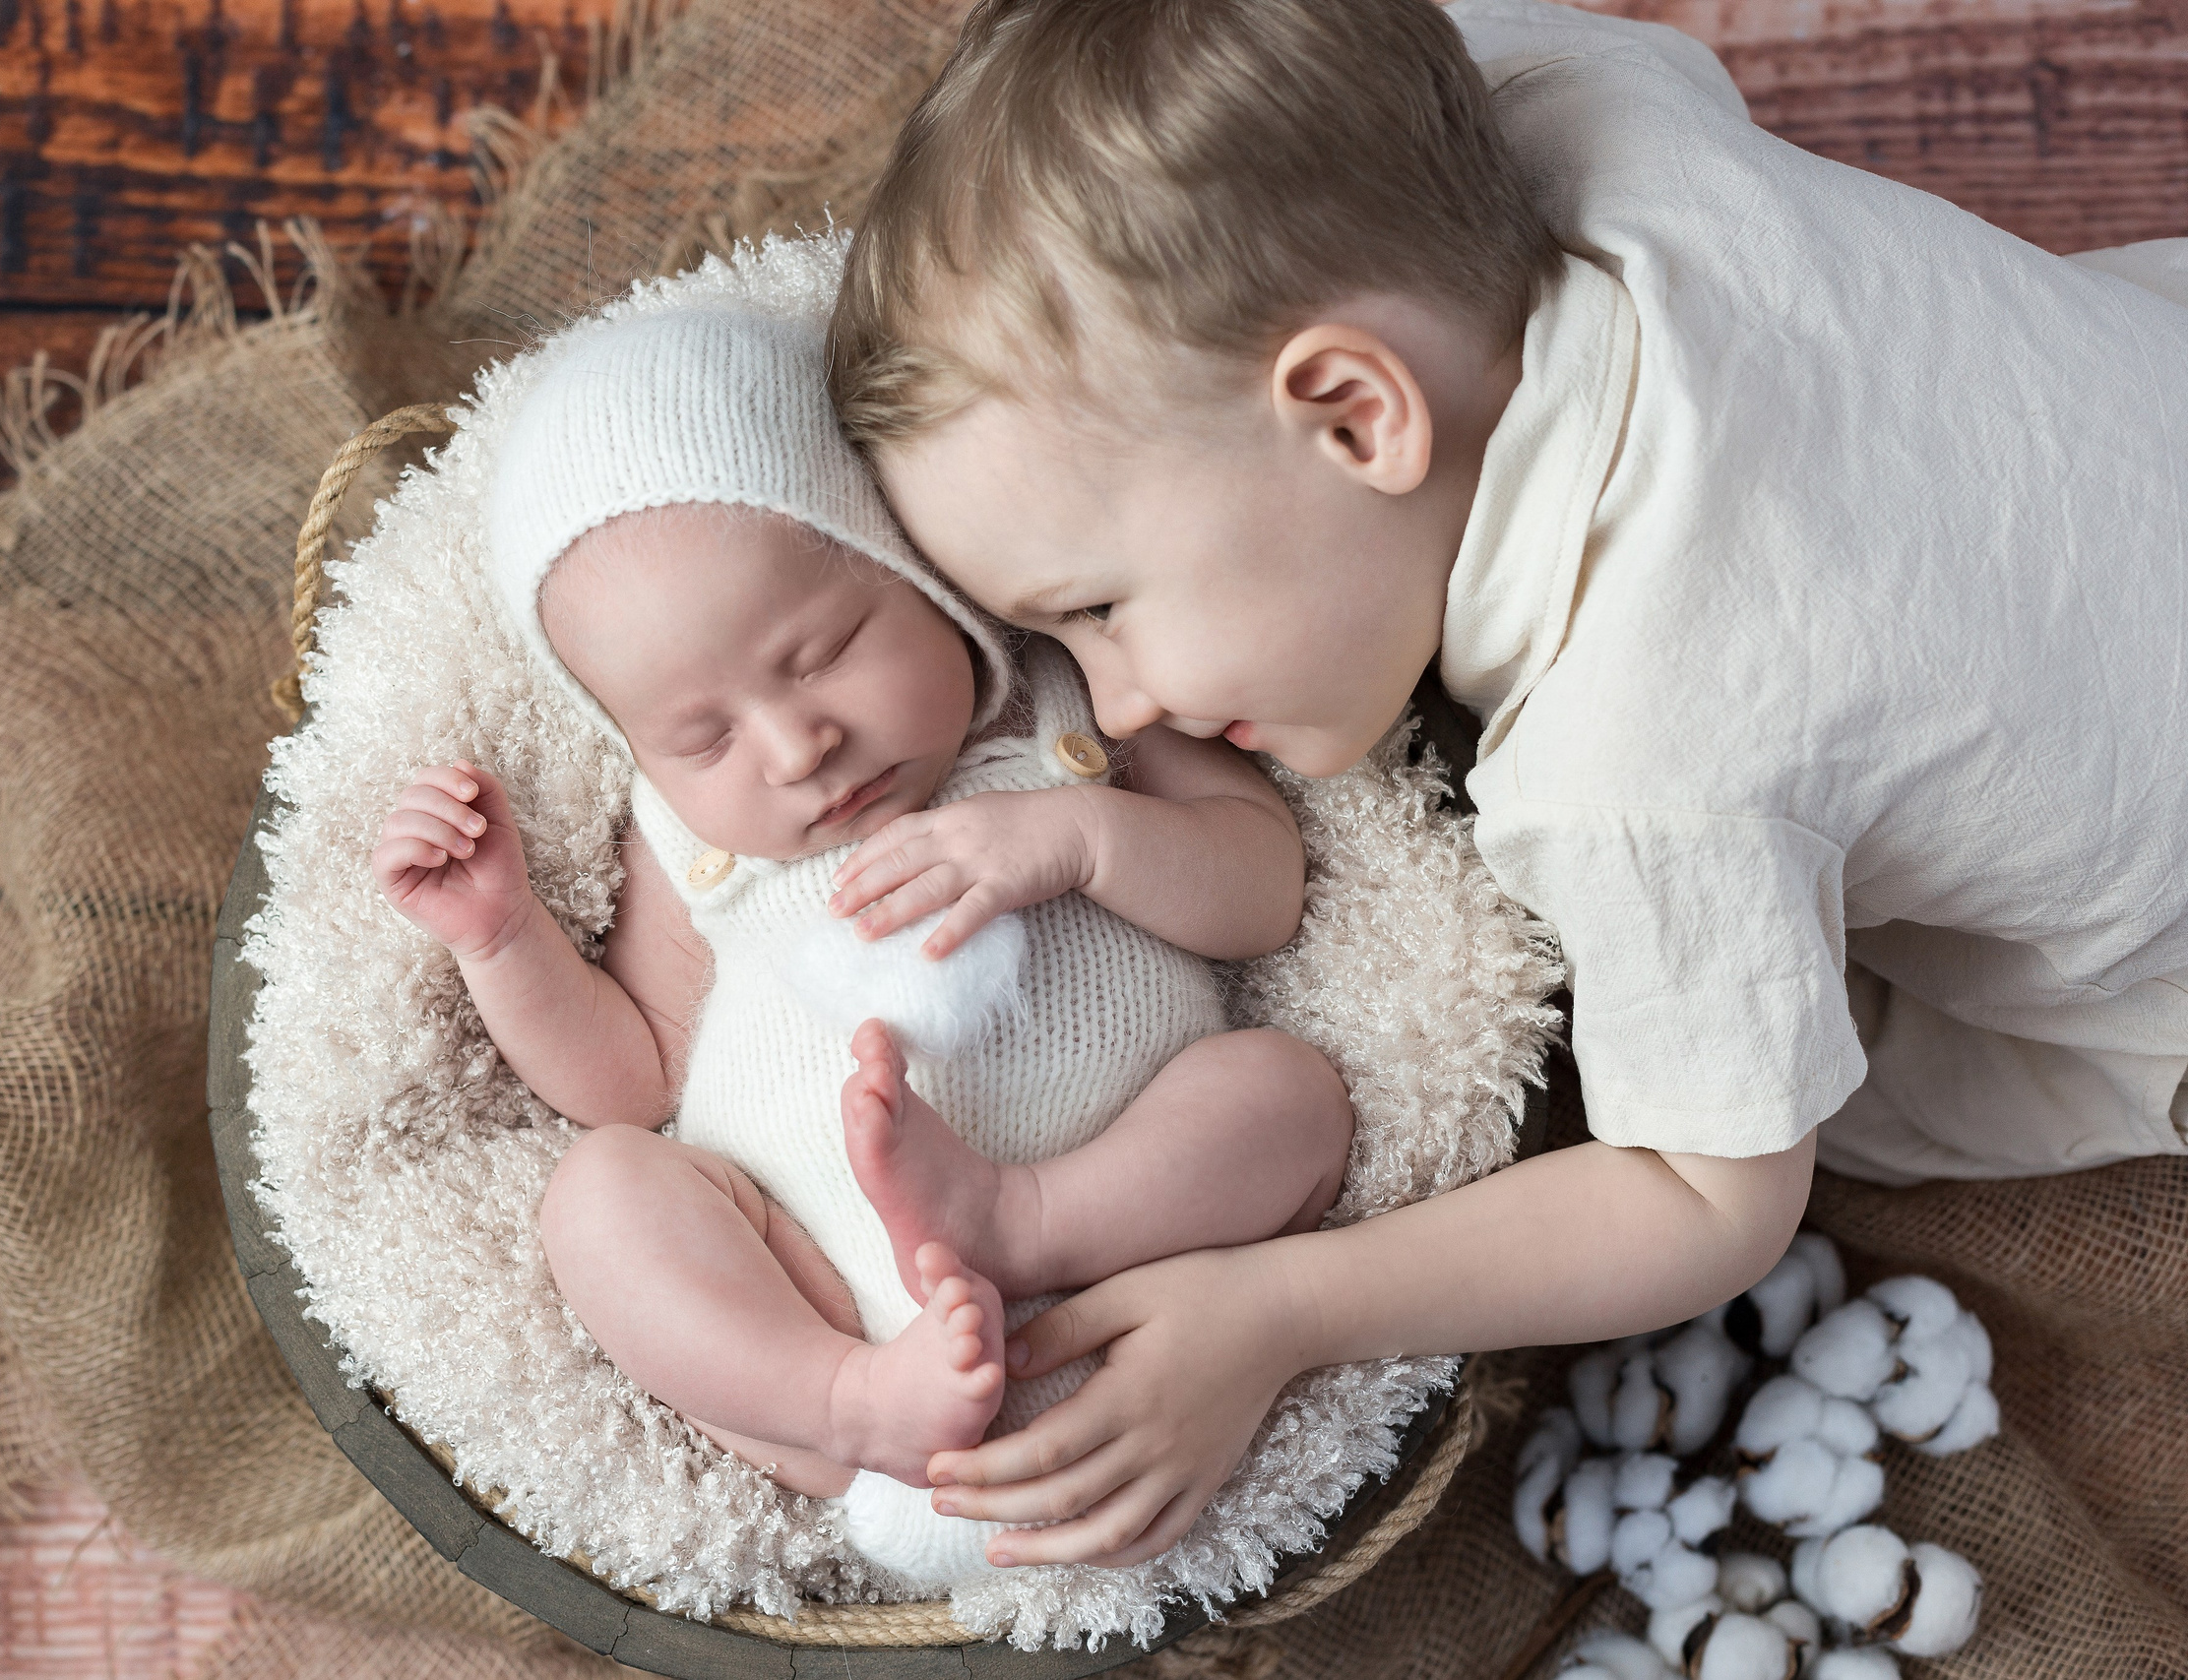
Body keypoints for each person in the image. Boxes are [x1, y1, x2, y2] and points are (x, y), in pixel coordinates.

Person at [826, 0, 2188, 1567]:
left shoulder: (1639, 766)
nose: (1113, 699)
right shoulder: (1568, 95)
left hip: (2148, 956)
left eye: (1100, 609)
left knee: (1803, 1071)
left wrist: (1283, 1308)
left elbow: (1707, 1202)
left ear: (1355, 413)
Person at [368, 287, 1354, 1582]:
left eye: (826, 648)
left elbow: (1263, 885)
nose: (795, 747)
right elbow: (633, 1079)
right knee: (600, 1199)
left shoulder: (1077, 691)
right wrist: (499, 936)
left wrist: (1085, 841)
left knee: (1288, 1093)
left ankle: (1027, 1220)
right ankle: (838, 1410)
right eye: (701, 736)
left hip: (1137, 1242)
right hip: (832, 1299)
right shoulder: (686, 843)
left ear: (916, 565)